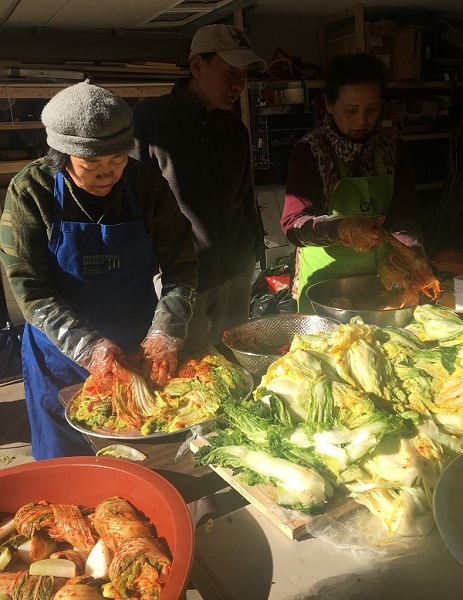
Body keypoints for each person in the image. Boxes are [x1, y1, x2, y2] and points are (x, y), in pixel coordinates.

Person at [0, 80, 199, 460]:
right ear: (63, 155)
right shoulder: (31, 191)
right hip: (59, 356)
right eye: (92, 164)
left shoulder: (144, 184)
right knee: (68, 464)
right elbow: (30, 288)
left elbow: (181, 263)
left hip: (135, 346)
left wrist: (167, 330)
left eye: (117, 160)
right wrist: (86, 346)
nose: (108, 175)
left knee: (138, 454)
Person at [131, 23, 267, 354]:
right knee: (191, 371)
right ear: (197, 66)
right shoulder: (150, 120)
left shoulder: (234, 127)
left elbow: (245, 194)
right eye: (229, 72)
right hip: (181, 277)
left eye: (244, 74)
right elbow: (133, 204)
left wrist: (255, 248)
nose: (238, 84)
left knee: (235, 359)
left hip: (234, 269)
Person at [280, 53, 423, 313]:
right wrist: (341, 229)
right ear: (329, 104)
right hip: (323, 286)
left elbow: (405, 214)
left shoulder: (393, 148)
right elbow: (293, 225)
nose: (362, 121)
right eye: (351, 110)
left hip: (382, 281)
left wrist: (409, 253)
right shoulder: (310, 151)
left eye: (371, 109)